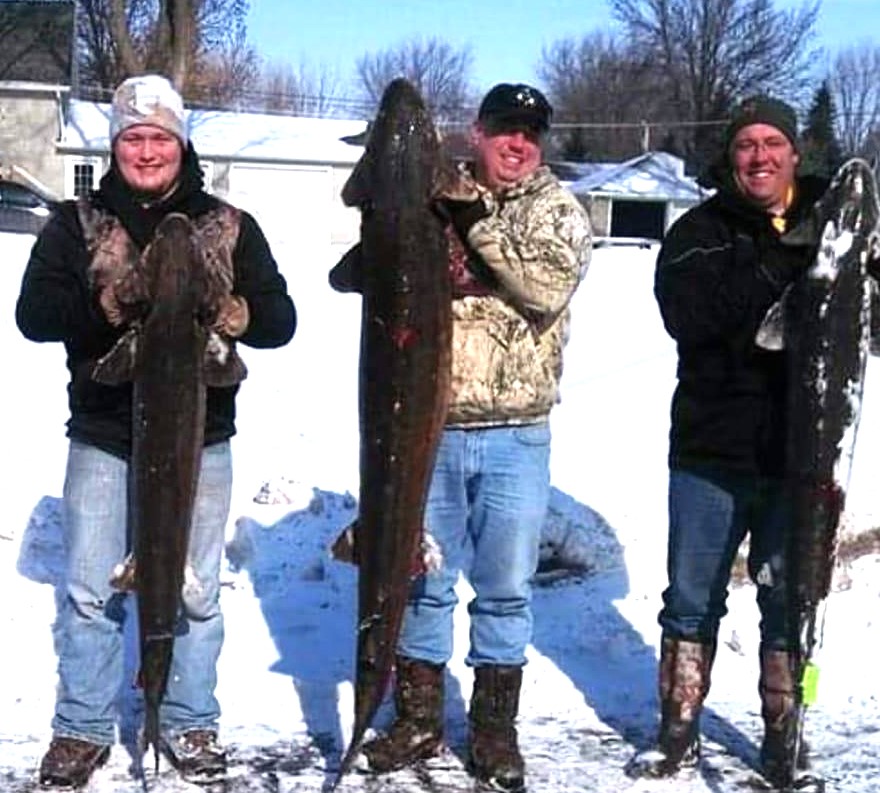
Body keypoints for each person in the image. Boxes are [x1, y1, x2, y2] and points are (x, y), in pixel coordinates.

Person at [15, 74, 296, 789]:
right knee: (89, 589)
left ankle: (188, 718)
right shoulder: (76, 222)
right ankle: (81, 727)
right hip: (105, 434)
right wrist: (107, 303)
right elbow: (33, 315)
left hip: (200, 437)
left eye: (159, 137)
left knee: (195, 589)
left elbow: (281, 319)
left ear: (181, 143)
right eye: (133, 137)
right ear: (117, 146)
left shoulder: (229, 225)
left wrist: (235, 313)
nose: (146, 151)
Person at [331, 83, 592, 792]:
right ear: (476, 132)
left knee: (506, 587)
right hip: (431, 429)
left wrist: (472, 219)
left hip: (516, 433)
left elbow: (542, 288)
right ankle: (416, 718)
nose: (517, 144)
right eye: (505, 129)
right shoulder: (430, 199)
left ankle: (493, 729)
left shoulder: (557, 210)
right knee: (424, 578)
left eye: (530, 134)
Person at [628, 96, 834, 786]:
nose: (760, 156)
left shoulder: (831, 227)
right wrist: (781, 263)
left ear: (794, 153)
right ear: (731, 155)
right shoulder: (699, 231)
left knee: (790, 602)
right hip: (709, 453)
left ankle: (788, 733)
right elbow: (691, 316)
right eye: (747, 144)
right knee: (691, 600)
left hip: (800, 456)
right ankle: (676, 729)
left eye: (772, 142)